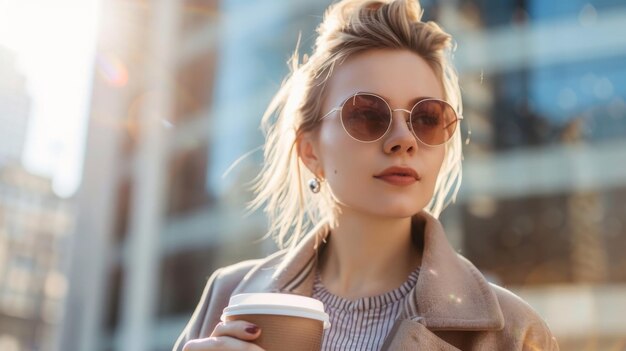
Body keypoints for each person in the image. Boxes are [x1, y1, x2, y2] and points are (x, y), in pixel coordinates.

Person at [174, 0, 559, 350]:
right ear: (311, 151)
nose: (404, 141)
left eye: (427, 119)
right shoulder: (228, 298)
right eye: (366, 114)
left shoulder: (512, 331)